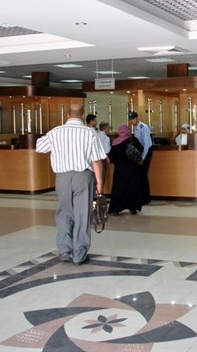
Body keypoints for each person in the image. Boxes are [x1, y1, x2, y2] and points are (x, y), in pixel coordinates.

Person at [35, 104, 107, 266]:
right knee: (82, 214)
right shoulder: (89, 133)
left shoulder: (55, 132)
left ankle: (64, 250)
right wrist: (100, 184)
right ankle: (79, 253)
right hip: (83, 177)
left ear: (67, 114)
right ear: (82, 115)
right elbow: (96, 161)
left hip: (62, 177)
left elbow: (39, 147)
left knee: (64, 212)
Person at [107, 124, 144, 216]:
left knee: (119, 188)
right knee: (132, 188)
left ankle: (116, 209)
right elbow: (141, 148)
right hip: (132, 169)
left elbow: (111, 157)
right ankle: (133, 208)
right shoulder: (133, 140)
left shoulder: (116, 142)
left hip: (120, 171)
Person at [129, 111, 153, 205]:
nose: (132, 121)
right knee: (140, 175)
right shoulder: (136, 128)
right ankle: (141, 196)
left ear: (137, 118)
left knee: (143, 175)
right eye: (130, 119)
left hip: (146, 152)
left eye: (133, 119)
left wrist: (143, 157)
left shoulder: (143, 127)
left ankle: (145, 198)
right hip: (141, 153)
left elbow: (147, 144)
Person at [97, 121, 112, 188]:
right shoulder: (106, 138)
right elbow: (107, 151)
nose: (109, 129)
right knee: (101, 178)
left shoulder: (95, 135)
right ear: (105, 128)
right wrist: (107, 158)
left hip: (94, 160)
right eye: (108, 128)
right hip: (102, 160)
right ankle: (100, 192)